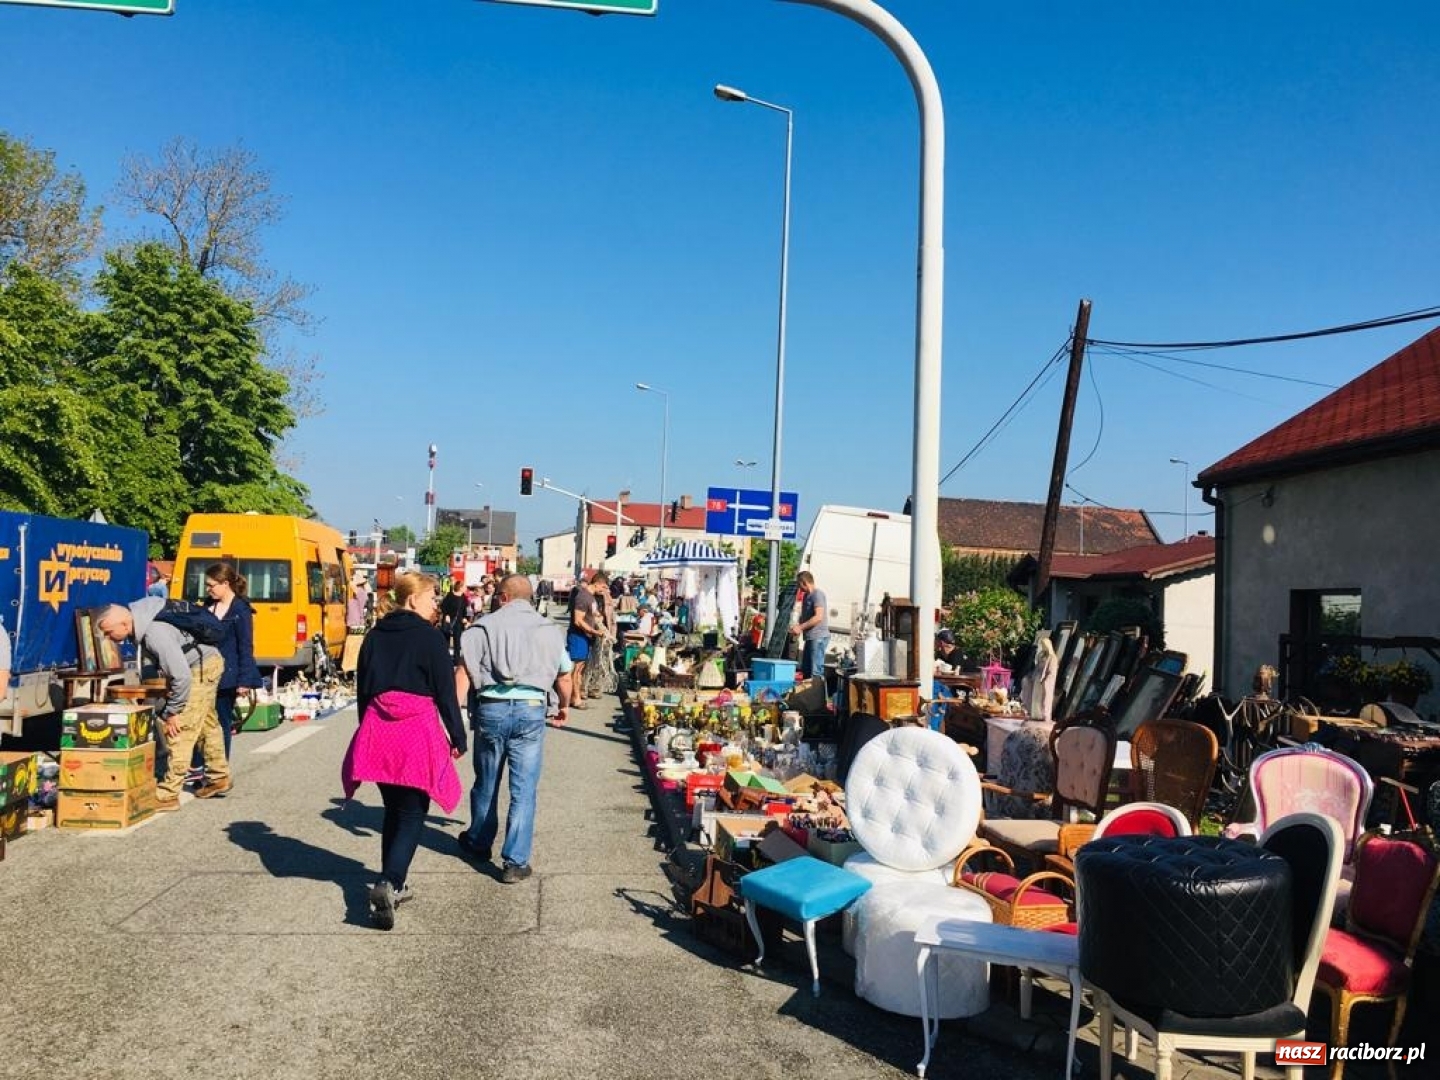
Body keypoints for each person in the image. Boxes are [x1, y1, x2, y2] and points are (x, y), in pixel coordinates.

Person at [341, 572, 466, 930]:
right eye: (431, 598)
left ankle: (393, 880)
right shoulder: (430, 638)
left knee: (393, 809)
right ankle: (391, 880)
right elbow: (445, 693)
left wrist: (366, 729)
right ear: (412, 599)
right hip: (416, 731)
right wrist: (458, 736)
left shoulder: (374, 637)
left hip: (379, 729)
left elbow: (363, 690)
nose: (435, 605)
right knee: (413, 812)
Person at [455, 574, 571, 883]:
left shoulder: (482, 627)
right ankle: (515, 861)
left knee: (487, 780)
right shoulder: (550, 630)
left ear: (504, 597)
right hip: (531, 711)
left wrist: (454, 719)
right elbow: (564, 677)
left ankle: (479, 841)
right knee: (523, 789)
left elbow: (463, 675)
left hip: (491, 708)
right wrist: (564, 706)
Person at [96, 598, 228, 810]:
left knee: (181, 729)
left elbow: (181, 676)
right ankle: (218, 776)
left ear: (123, 624)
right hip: (207, 663)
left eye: (109, 633)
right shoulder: (143, 624)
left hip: (200, 668)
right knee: (206, 723)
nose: (109, 638)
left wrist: (173, 711)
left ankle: (168, 794)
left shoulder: (153, 632)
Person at [201, 562, 263, 761]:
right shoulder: (207, 605)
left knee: (221, 722)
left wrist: (244, 680)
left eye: (211, 585)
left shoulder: (240, 610)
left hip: (228, 674)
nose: (208, 589)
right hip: (205, 672)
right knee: (203, 722)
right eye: (207, 586)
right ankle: (202, 767)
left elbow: (245, 646)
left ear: (225, 583)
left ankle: (219, 769)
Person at [566, 571, 607, 708]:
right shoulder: (583, 597)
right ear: (598, 584)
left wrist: (599, 618)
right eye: (604, 587)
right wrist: (595, 631)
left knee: (581, 668)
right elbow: (578, 621)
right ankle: (575, 699)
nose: (604, 590)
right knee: (576, 669)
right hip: (578, 636)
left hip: (586, 637)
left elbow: (593, 613)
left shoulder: (592, 598)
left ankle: (574, 696)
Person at [790, 570, 830, 680]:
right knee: (806, 670)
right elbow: (806, 616)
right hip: (811, 637)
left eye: (799, 584)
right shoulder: (807, 596)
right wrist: (797, 626)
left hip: (818, 636)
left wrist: (800, 627)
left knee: (815, 671)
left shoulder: (817, 594)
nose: (799, 587)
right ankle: (807, 695)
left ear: (804, 582)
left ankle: (817, 695)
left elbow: (818, 617)